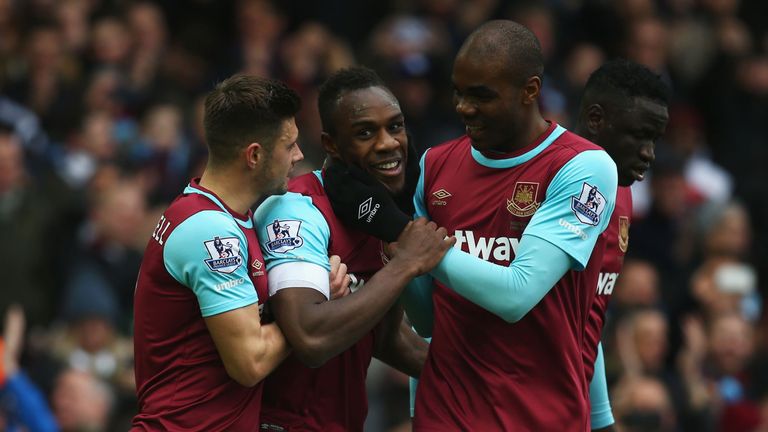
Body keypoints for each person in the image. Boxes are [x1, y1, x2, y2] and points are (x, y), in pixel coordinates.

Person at [325, 21, 618, 430]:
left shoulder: (582, 167)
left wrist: (399, 230)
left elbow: (517, 294)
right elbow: (427, 318)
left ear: (530, 91)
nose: (463, 107)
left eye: (482, 96)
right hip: (445, 413)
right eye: (459, 92)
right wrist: (390, 237)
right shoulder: (436, 164)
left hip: (541, 416)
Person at [252, 66, 453, 431]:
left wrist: (472, 377)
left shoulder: (381, 214)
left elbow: (386, 338)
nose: (388, 143)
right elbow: (309, 337)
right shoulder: (297, 211)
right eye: (365, 133)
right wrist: (404, 264)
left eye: (395, 126)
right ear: (331, 144)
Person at [132, 75, 303, 430]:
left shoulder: (224, 217)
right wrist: (315, 300)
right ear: (254, 155)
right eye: (290, 146)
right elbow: (250, 363)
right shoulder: (209, 231)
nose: (298, 156)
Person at [574, 59, 670, 432]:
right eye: (639, 135)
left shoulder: (623, 192)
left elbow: (587, 321)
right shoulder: (543, 181)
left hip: (573, 408)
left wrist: (601, 421)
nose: (649, 153)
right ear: (596, 119)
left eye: (654, 140)